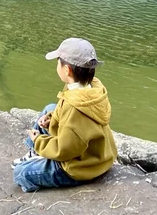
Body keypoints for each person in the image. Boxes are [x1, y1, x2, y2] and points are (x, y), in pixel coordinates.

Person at [13, 38, 117, 193]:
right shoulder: (91, 88)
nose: (56, 66)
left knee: (20, 173)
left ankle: (38, 153)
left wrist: (39, 141)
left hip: (81, 166)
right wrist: (51, 118)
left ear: (67, 70)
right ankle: (35, 153)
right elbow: (70, 120)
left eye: (58, 62)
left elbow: (65, 150)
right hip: (100, 154)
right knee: (50, 108)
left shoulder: (74, 108)